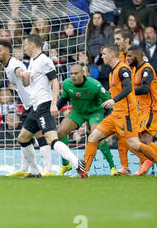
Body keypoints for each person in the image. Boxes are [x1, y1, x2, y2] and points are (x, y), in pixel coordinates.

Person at [17, 34, 86, 178]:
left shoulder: (44, 60)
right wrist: (24, 78)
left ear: (33, 45)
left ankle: (76, 163)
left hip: (44, 104)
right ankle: (35, 172)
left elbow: (54, 81)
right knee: (23, 138)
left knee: (51, 139)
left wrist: (54, 103)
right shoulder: (32, 61)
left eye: (26, 45)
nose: (24, 48)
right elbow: (27, 83)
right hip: (35, 107)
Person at [82, 44, 157, 178]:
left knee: (134, 143)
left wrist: (114, 99)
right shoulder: (112, 72)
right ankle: (84, 171)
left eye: (104, 53)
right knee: (93, 137)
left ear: (111, 55)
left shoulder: (123, 69)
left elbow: (129, 88)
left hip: (127, 114)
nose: (102, 56)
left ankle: (146, 162)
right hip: (116, 114)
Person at [0, 39, 54, 177]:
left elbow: (19, 70)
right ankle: (27, 169)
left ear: (7, 51)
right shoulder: (7, 65)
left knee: (36, 135)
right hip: (28, 105)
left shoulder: (14, 64)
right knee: (26, 136)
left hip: (35, 102)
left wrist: (22, 74)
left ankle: (47, 170)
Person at [56, 64, 117, 176]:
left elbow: (108, 101)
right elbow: (64, 99)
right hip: (78, 112)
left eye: (76, 73)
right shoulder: (67, 83)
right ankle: (66, 165)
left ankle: (112, 167)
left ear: (82, 73)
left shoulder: (95, 85)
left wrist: (112, 116)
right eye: (71, 74)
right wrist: (55, 109)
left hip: (95, 112)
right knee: (60, 132)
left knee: (97, 136)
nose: (73, 76)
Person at [114, 45, 157, 176]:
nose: (127, 59)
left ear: (138, 56)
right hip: (140, 109)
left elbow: (145, 88)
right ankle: (143, 167)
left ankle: (146, 164)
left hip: (152, 108)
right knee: (134, 139)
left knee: (144, 139)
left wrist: (127, 92)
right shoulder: (133, 70)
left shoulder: (147, 69)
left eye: (130, 56)